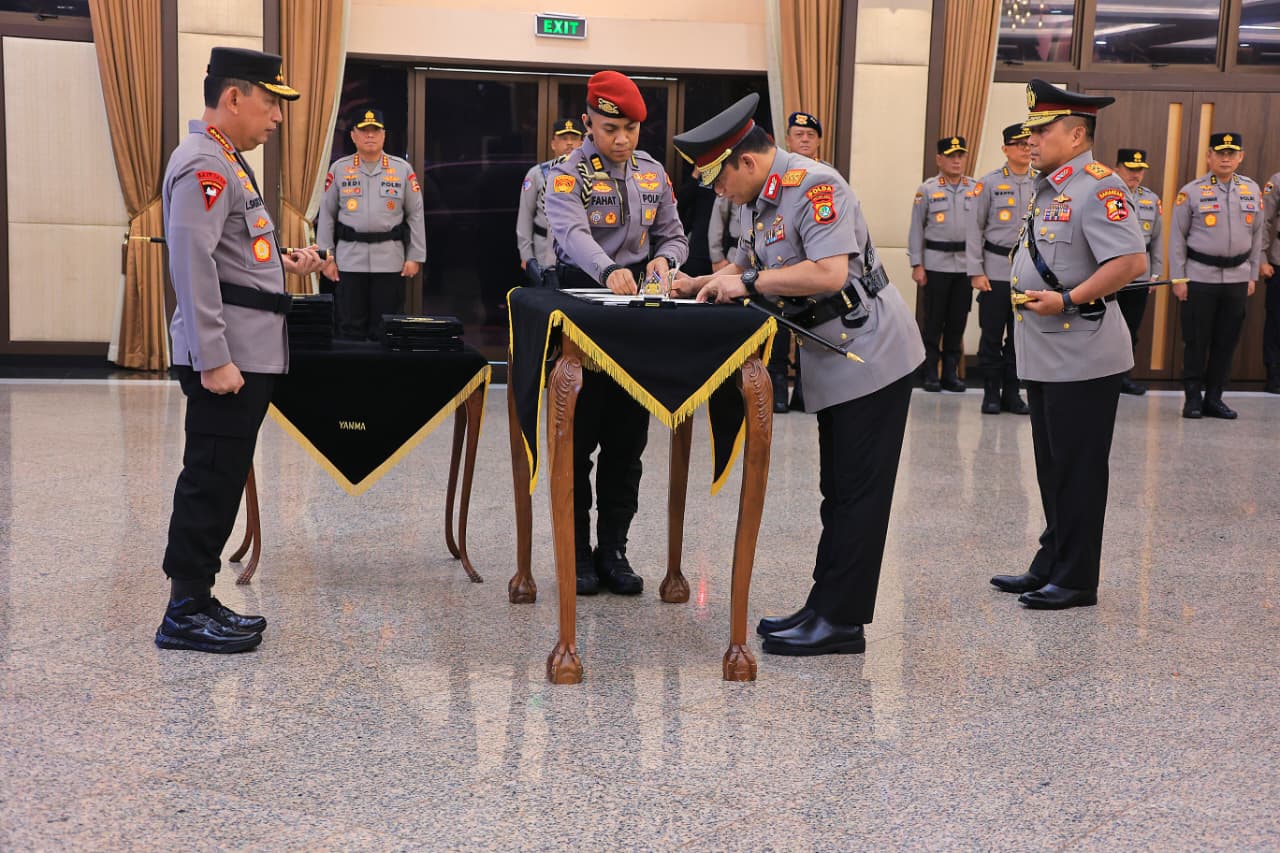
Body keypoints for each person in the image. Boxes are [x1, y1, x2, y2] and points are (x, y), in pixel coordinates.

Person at [674, 93, 924, 656]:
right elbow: (745, 260)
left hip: (871, 352)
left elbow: (830, 272)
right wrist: (699, 282)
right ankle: (824, 604)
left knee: (858, 493)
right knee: (836, 490)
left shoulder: (816, 186)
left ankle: (842, 622)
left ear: (746, 161)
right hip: (833, 353)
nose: (718, 192)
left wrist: (748, 283)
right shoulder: (759, 197)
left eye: (719, 180)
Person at [156, 47, 325, 653]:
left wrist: (282, 263)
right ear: (234, 97)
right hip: (227, 355)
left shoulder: (225, 158)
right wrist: (213, 357)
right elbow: (191, 262)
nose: (277, 116)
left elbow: (230, 250)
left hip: (247, 348)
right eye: (271, 102)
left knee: (223, 477)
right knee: (209, 478)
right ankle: (183, 612)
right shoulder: (204, 163)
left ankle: (199, 599)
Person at [989, 79, 1147, 610]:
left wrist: (1068, 299)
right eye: (1028, 133)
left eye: (1041, 131)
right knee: (1052, 466)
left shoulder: (1099, 187)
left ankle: (1077, 579)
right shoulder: (1051, 186)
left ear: (1077, 135)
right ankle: (1052, 560)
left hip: (1083, 351)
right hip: (1045, 352)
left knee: (1078, 471)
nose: (1030, 141)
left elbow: (1130, 262)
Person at [543, 70, 690, 596]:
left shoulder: (652, 173)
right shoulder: (568, 174)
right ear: (589, 123)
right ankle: (578, 553)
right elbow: (571, 234)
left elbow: (675, 236)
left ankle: (614, 550)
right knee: (578, 441)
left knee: (627, 443)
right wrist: (608, 270)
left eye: (630, 129)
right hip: (583, 308)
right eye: (610, 129)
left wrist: (664, 263)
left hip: (635, 318)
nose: (622, 139)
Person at [1169, 132, 1263, 419]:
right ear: (1209, 156)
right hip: (1199, 278)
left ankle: (1214, 398)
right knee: (1196, 341)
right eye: (1220, 153)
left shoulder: (1251, 189)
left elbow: (1257, 234)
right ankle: (1192, 399)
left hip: (1237, 279)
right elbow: (1177, 238)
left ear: (1240, 157)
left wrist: (1252, 274)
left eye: (1231, 153)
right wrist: (1178, 278)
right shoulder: (1191, 192)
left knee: (1226, 341)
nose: (1226, 158)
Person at [317, 108, 426, 340]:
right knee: (348, 329)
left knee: (387, 329)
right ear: (353, 135)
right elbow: (326, 215)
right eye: (364, 130)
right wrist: (326, 258)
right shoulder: (339, 169)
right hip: (349, 261)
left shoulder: (401, 170)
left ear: (384, 135)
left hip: (390, 261)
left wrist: (415, 256)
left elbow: (415, 214)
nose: (369, 135)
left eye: (375, 131)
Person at [967, 123, 1036, 414]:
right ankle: (991, 394)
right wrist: (976, 271)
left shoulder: (1042, 182)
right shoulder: (989, 183)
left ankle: (1012, 394)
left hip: (1029, 272)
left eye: (1028, 143)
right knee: (992, 336)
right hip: (994, 272)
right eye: (1019, 144)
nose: (1025, 149)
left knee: (1020, 337)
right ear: (1005, 149)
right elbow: (974, 229)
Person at [910, 136, 975, 392]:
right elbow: (916, 229)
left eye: (960, 156)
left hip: (965, 266)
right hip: (935, 264)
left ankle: (950, 373)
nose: (956, 161)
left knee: (957, 321)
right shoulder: (927, 189)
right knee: (933, 322)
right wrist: (917, 264)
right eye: (951, 156)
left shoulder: (975, 188)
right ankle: (930, 373)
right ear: (939, 159)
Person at [1114, 148, 1164, 396]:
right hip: (1111, 271)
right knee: (1107, 329)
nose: (1136, 174)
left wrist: (1156, 273)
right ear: (1117, 168)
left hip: (1140, 275)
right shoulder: (1107, 195)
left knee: (1131, 329)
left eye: (1140, 170)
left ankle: (1124, 377)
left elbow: (1158, 239)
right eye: (1131, 169)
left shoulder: (1150, 199)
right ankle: (1104, 378)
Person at [515, 117, 583, 288]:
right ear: (553, 144)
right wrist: (526, 256)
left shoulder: (591, 176)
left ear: (582, 143)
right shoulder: (537, 174)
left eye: (574, 138)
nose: (569, 143)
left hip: (579, 255)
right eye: (563, 138)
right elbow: (525, 218)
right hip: (545, 253)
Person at [1261, 169, 1280, 393]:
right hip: (1279, 261)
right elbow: (1264, 220)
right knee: (1276, 322)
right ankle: (1274, 375)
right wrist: (1261, 258)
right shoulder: (1277, 181)